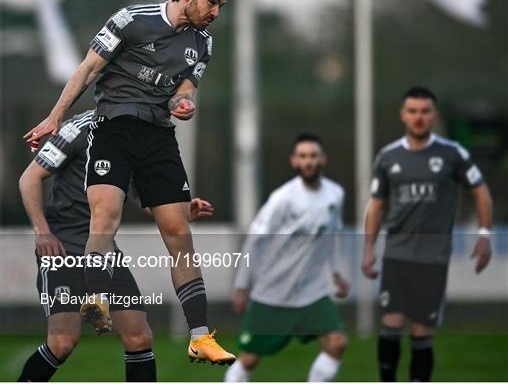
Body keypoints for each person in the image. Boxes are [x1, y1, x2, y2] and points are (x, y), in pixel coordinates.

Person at [23, 0, 235, 365]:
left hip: (158, 136)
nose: (215, 13)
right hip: (114, 128)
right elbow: (87, 69)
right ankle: (98, 299)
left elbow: (185, 87)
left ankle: (200, 336)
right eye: (213, 2)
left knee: (179, 233)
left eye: (221, 6)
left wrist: (183, 102)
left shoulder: (202, 43)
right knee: (106, 215)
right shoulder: (131, 20)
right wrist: (54, 117)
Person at [17, 109, 215, 382]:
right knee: (62, 343)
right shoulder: (78, 130)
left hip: (103, 250)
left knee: (139, 337)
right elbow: (29, 178)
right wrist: (42, 233)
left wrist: (177, 211)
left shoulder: (141, 135)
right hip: (64, 248)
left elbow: (136, 193)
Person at [362, 86, 493, 382]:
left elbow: (481, 192)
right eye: (413, 111)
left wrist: (484, 234)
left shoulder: (452, 153)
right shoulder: (387, 157)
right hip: (396, 255)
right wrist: (368, 248)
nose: (418, 117)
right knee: (390, 327)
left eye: (424, 111)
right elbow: (377, 205)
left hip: (432, 259)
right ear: (403, 115)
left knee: (422, 332)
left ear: (433, 115)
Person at [225, 134, 349, 383]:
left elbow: (331, 236)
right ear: (294, 161)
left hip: (311, 292)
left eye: (313, 156)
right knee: (249, 358)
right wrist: (241, 285)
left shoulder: (335, 194)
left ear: (323, 159)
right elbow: (254, 238)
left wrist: (336, 273)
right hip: (274, 291)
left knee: (337, 343)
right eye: (303, 157)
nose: (309, 161)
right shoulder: (283, 198)